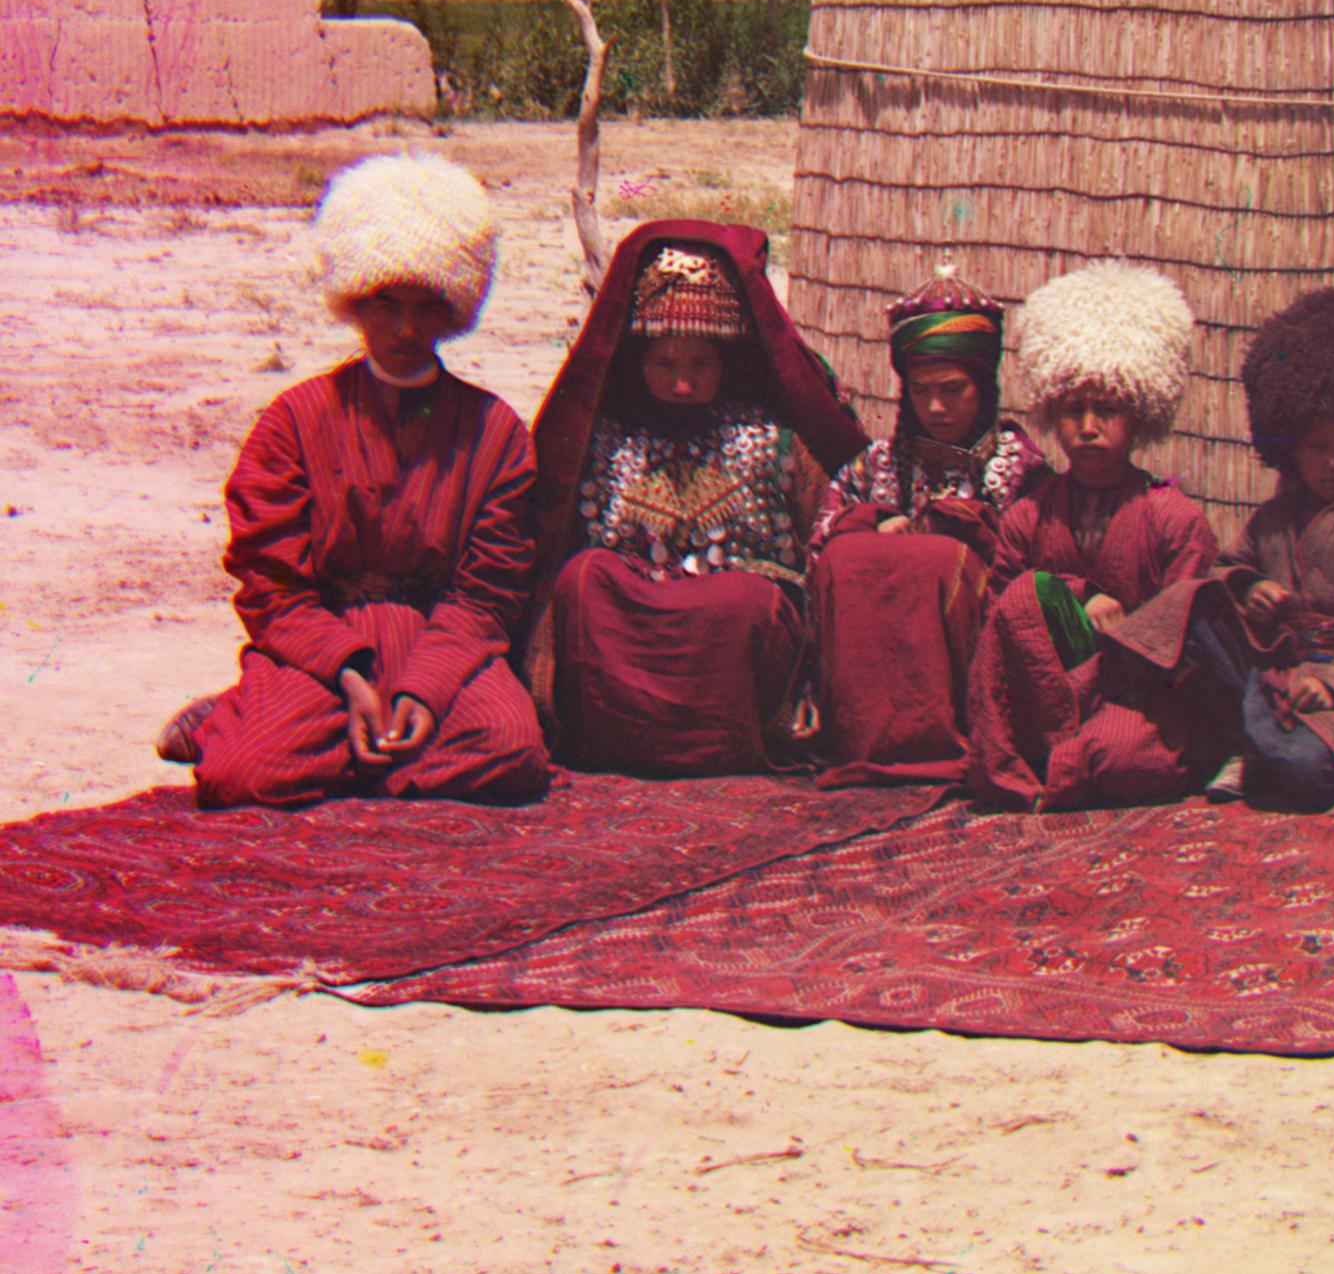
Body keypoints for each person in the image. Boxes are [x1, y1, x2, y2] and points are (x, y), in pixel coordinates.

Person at [170, 154, 550, 809]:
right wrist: (350, 679)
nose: (406, 330)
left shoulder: (494, 431)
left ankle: (346, 755)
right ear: (354, 299)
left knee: (512, 753)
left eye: (427, 307)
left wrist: (422, 695)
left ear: (455, 307)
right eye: (386, 304)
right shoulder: (295, 420)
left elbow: (488, 592)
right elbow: (272, 584)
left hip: (441, 640)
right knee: (241, 775)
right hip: (323, 644)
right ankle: (245, 718)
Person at [529, 225, 864, 775]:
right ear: (638, 362)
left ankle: (727, 744)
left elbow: (824, 542)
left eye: (700, 367)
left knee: (745, 604)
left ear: (726, 363)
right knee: (585, 580)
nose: (682, 385)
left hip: (726, 614)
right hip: (633, 609)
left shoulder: (773, 439)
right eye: (666, 366)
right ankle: (609, 738)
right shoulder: (605, 438)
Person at [962, 260, 1222, 811]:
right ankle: (1055, 757)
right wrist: (1075, 597)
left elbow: (1194, 638)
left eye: (1106, 410)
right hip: (1043, 697)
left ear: (1140, 413)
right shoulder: (1028, 514)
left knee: (1119, 754)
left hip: (1137, 700)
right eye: (1071, 410)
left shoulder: (1174, 518)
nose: (1086, 427)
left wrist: (1124, 643)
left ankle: (1064, 762)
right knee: (1029, 592)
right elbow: (999, 616)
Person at [1177, 287, 1334, 812]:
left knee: (1310, 773)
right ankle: (1250, 741)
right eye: (1319, 447)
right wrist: (1251, 589)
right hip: (1276, 668)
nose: (1333, 463)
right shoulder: (1276, 517)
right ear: (1293, 449)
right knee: (1193, 607)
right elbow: (1228, 566)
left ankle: (1255, 751)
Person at [804, 270, 1036, 785]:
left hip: (965, 669)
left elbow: (1031, 574)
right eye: (920, 390)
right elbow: (820, 551)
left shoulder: (1022, 468)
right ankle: (863, 736)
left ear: (985, 385)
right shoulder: (874, 467)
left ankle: (945, 735)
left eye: (954, 390)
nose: (935, 408)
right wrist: (872, 529)